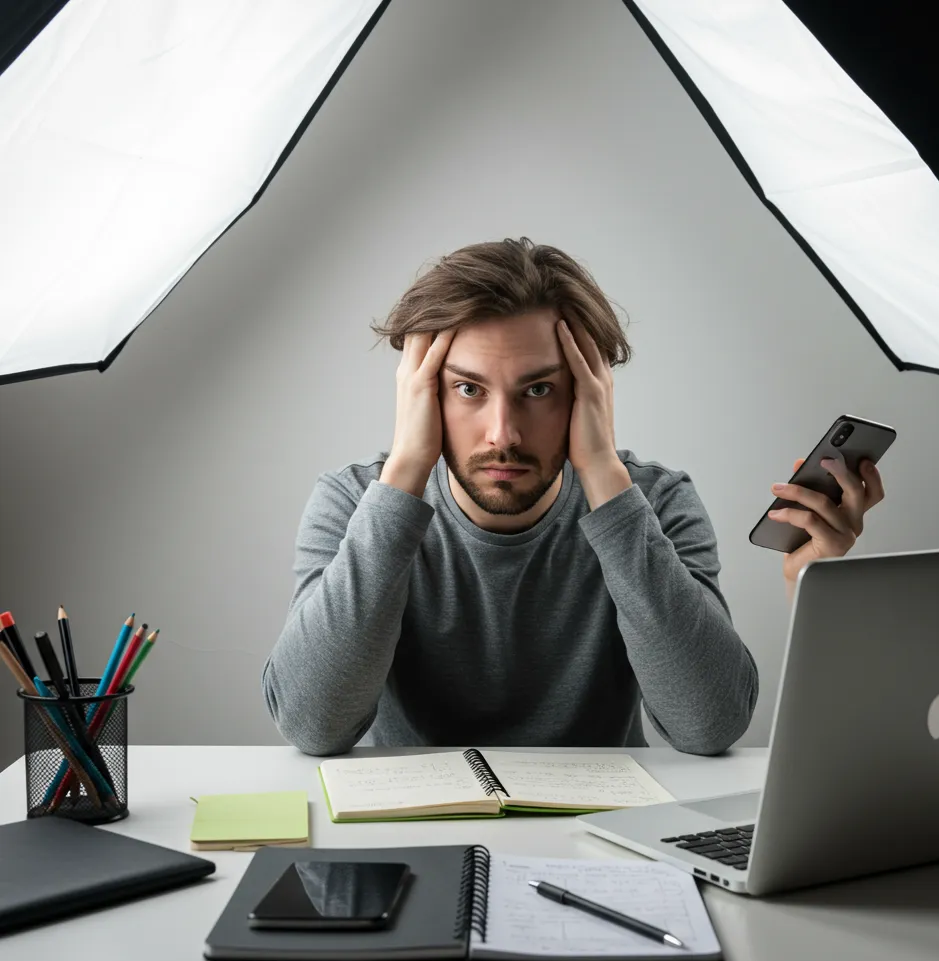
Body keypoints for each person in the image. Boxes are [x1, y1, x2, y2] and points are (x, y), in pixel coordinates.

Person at [262, 237, 885, 757]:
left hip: (604, 840)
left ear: (590, 394)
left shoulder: (655, 503)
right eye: (468, 390)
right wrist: (404, 472)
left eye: (538, 391)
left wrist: (604, 476)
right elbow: (314, 726)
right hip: (419, 836)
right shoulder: (355, 503)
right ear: (423, 394)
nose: (502, 433)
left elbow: (709, 726)